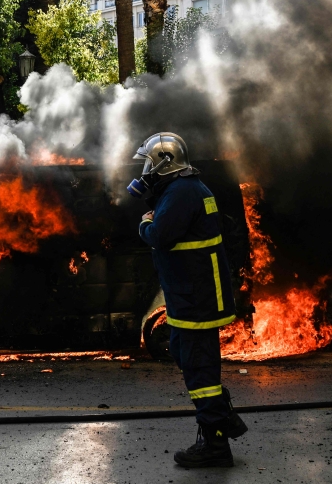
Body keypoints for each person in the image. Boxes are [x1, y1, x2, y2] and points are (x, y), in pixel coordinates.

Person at [129, 132, 248, 468]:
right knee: (183, 353)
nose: (145, 169)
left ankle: (215, 443)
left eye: (149, 162)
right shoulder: (185, 188)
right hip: (189, 296)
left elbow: (161, 236)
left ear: (165, 163)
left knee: (200, 371)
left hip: (196, 298)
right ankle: (224, 417)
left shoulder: (182, 192)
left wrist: (145, 224)